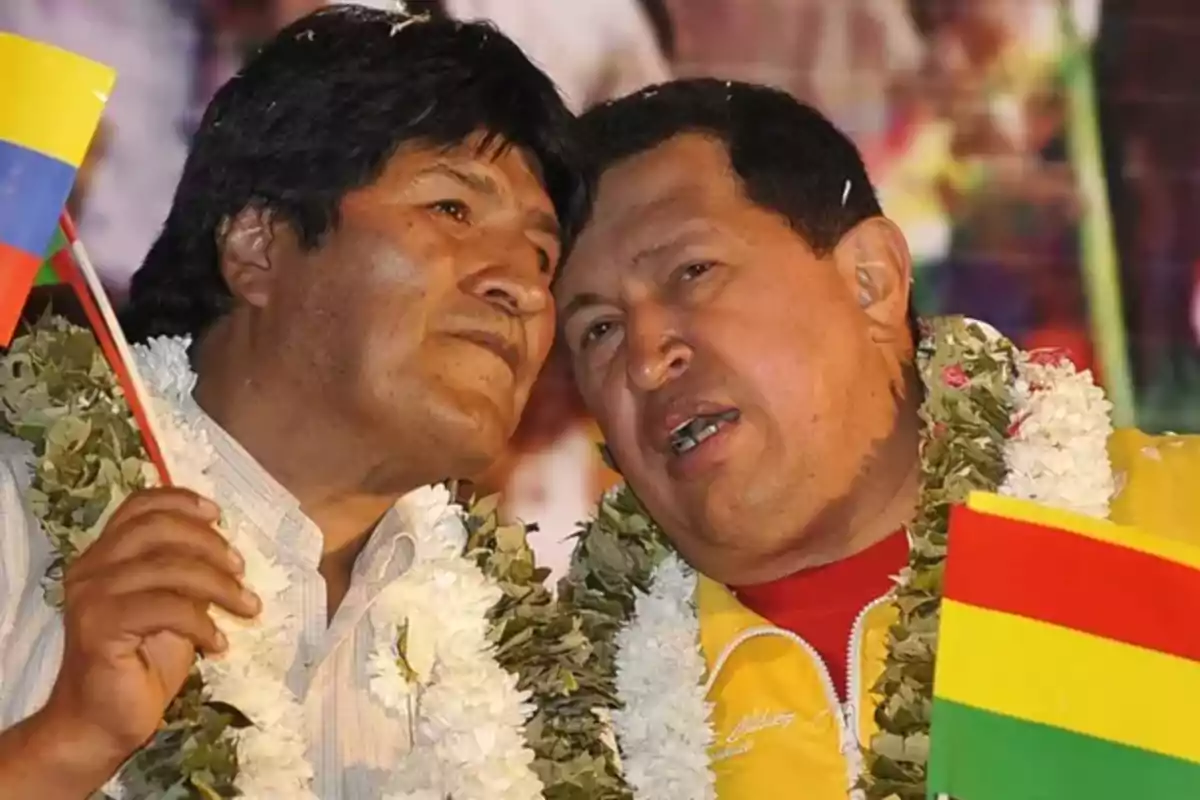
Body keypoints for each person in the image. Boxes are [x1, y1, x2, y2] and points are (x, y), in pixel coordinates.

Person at [552, 78, 1200, 799]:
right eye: (597, 330)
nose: (644, 357)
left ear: (872, 280)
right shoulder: (555, 726)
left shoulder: (1176, 522)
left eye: (692, 272)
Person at [0, 7, 582, 799]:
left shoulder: (525, 671)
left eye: (543, 256)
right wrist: (69, 743)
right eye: (452, 208)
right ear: (258, 246)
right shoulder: (19, 511)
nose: (520, 285)